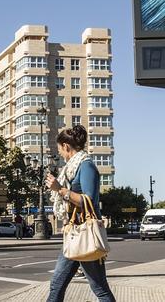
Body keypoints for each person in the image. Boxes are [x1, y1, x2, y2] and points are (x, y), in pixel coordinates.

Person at [45, 125, 115, 302]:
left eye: (60, 149)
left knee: (100, 289)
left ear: (66, 147)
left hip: (86, 233)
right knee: (56, 285)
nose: (60, 153)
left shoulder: (86, 166)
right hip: (74, 233)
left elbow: (88, 201)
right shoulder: (71, 169)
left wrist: (59, 190)